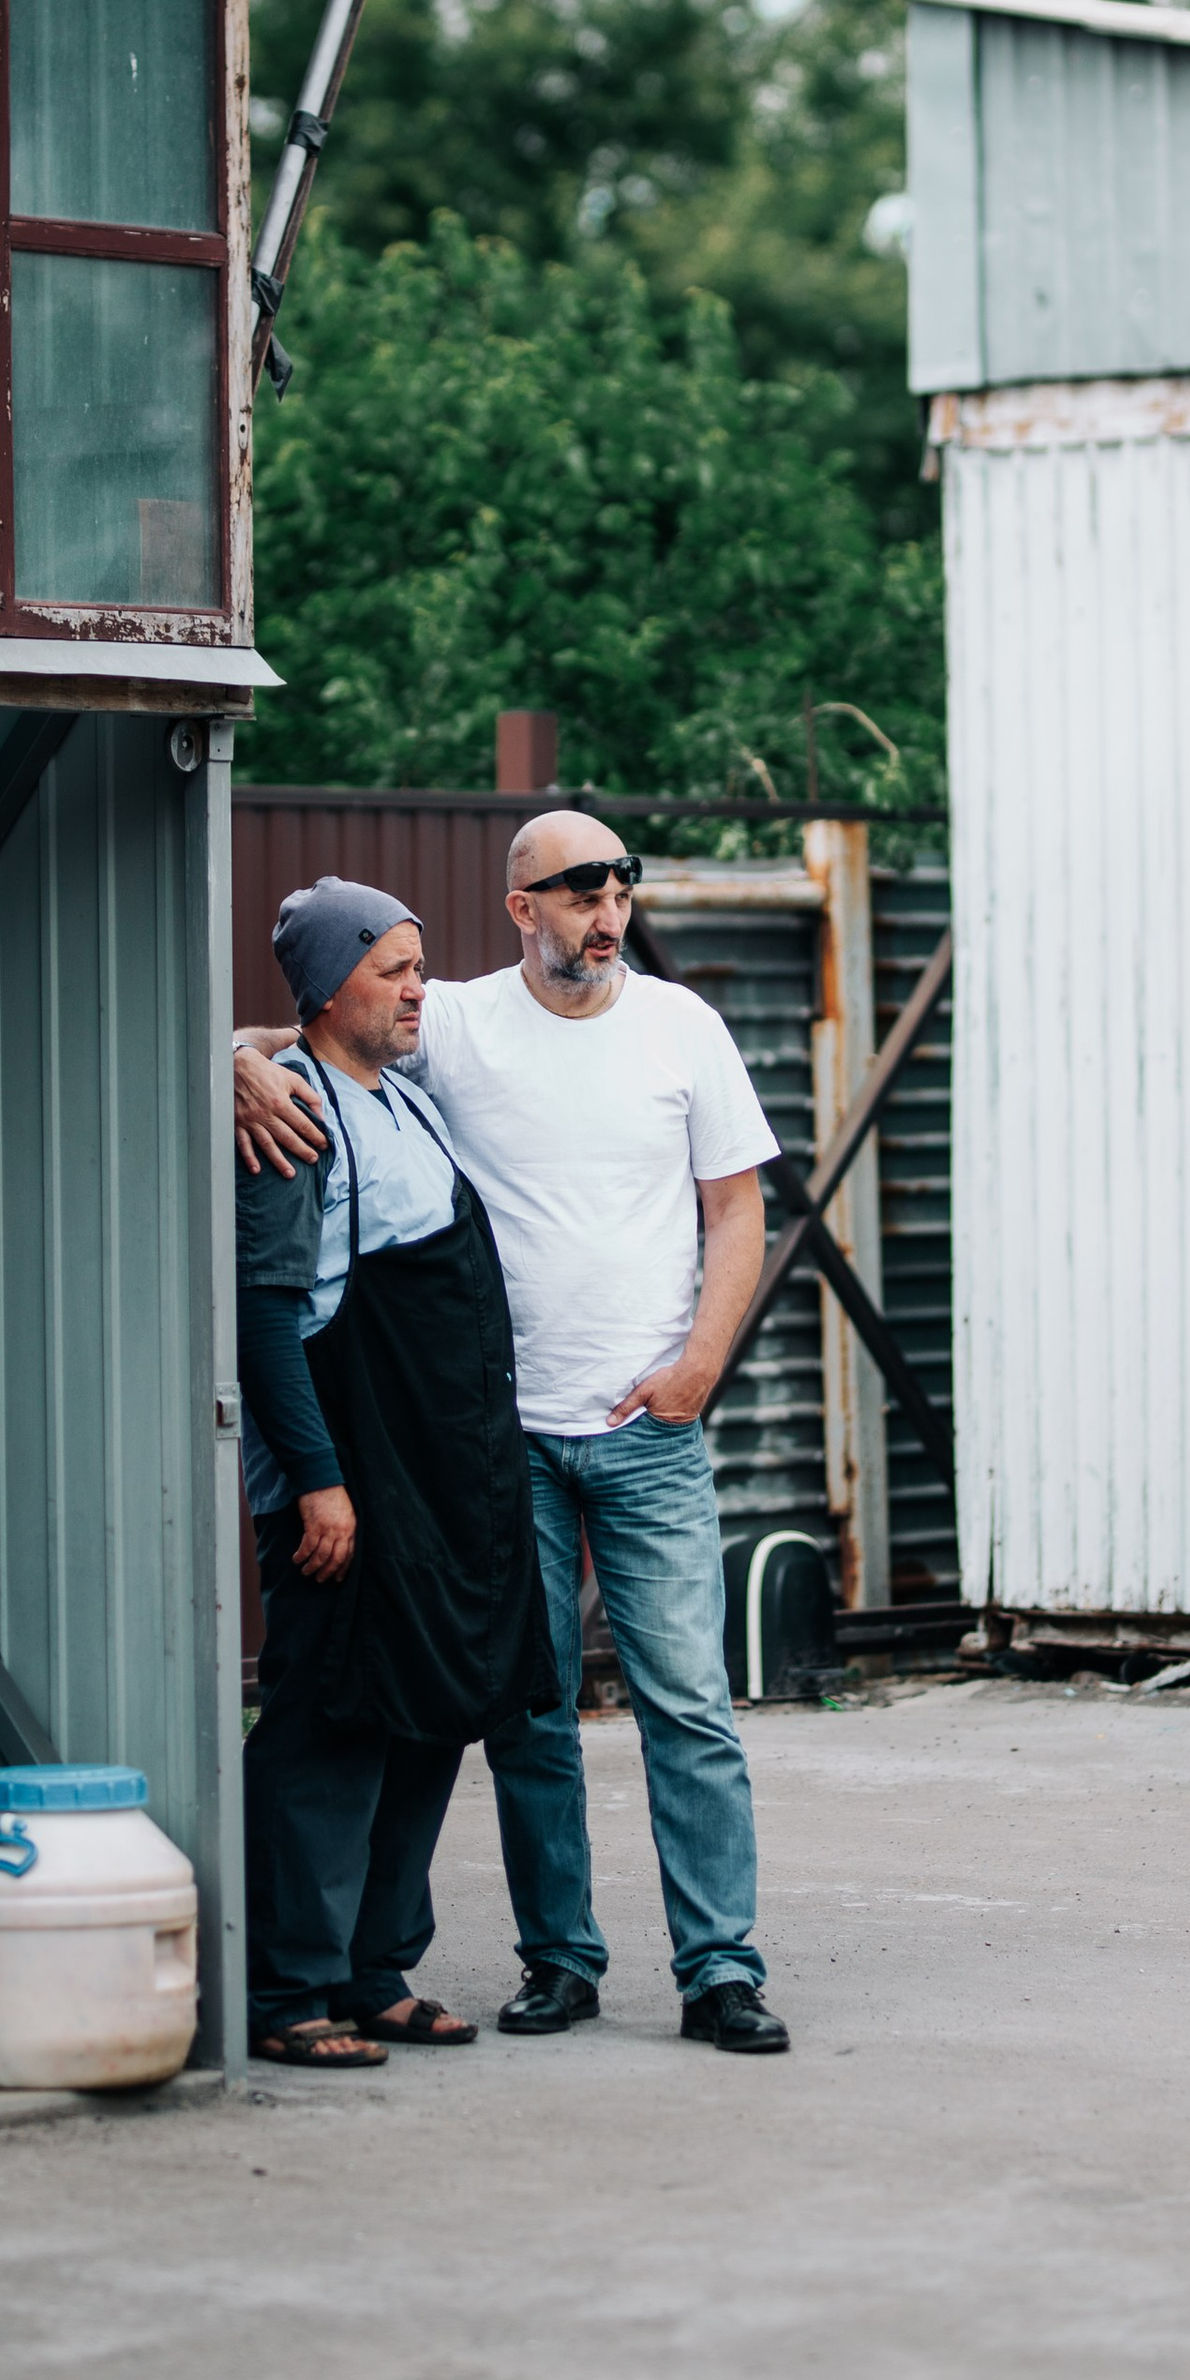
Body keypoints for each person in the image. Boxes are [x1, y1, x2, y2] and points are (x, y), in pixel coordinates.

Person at [236, 816, 791, 2056]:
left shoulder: (680, 1028)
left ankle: (720, 1972)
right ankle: (561, 1963)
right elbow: (322, 1042)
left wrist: (698, 1367)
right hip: (499, 1451)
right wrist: (235, 1053)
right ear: (520, 906)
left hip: (645, 1424)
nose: (607, 909)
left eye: (620, 886)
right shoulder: (461, 1022)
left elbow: (735, 1204)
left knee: (688, 1707)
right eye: (579, 890)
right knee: (523, 1713)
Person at [236, 876, 557, 2070]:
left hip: (449, 1481)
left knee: (433, 1714)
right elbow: (269, 1322)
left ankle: (376, 1971)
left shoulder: (406, 1100)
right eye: (392, 970)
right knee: (332, 1728)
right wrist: (319, 1482)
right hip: (355, 1485)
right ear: (329, 988)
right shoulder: (293, 1118)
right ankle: (286, 1991)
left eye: (421, 967)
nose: (420, 988)